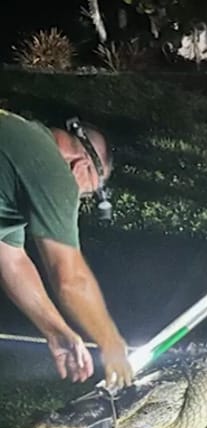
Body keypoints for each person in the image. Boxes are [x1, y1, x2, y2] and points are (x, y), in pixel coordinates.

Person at [0, 109, 133, 388]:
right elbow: (70, 279)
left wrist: (56, 330)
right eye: (87, 194)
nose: (77, 200)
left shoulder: (18, 156)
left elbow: (11, 261)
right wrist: (110, 340)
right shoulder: (52, 171)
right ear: (82, 166)